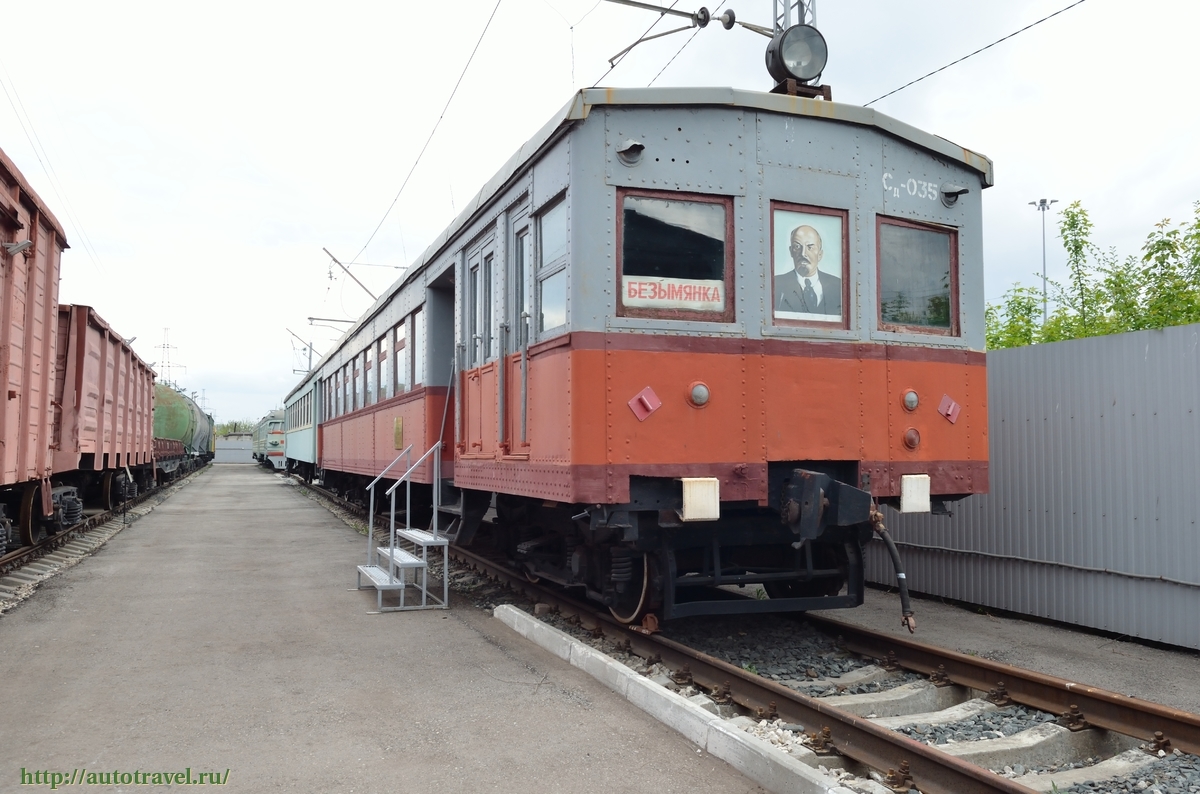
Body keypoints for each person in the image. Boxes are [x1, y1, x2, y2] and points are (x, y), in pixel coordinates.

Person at [774, 224, 841, 317]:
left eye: (810, 247)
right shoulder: (775, 285)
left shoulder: (838, 286)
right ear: (791, 251)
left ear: (820, 254)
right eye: (797, 246)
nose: (803, 253)